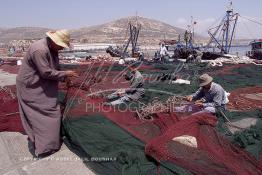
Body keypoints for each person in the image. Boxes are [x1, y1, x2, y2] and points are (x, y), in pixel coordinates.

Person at [16, 30, 78, 158]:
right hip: (31, 85)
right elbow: (46, 72)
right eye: (61, 45)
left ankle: (47, 143)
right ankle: (44, 149)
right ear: (54, 41)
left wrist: (64, 78)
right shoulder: (40, 50)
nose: (62, 48)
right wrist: (65, 74)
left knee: (49, 111)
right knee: (44, 114)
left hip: (40, 83)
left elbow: (55, 67)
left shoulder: (52, 49)